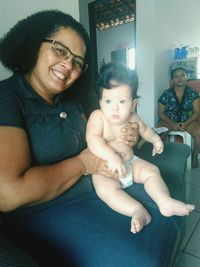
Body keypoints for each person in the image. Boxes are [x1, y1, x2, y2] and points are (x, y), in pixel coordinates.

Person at [0, 9, 170, 267]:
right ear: (34, 43)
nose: (69, 65)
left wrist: (132, 135)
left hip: (99, 187)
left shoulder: (75, 100)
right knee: (137, 259)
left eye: (78, 61)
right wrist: (83, 164)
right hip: (46, 210)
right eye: (60, 50)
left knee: (163, 217)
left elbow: (125, 136)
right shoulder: (7, 98)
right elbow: (8, 193)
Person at [86, 62, 195, 234]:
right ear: (100, 100)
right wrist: (111, 156)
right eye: (107, 100)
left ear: (133, 103)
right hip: (106, 169)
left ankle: (164, 201)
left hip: (131, 162)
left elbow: (145, 130)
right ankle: (137, 211)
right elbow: (92, 140)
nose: (114, 107)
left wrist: (156, 141)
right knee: (105, 190)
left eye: (122, 101)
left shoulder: (133, 117)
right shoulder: (98, 117)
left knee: (152, 171)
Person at [158, 67, 200, 168]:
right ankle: (161, 159)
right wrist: (172, 124)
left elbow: (197, 111)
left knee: (199, 133)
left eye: (182, 75)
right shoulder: (166, 94)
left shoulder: (193, 93)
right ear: (172, 79)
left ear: (187, 77)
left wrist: (185, 123)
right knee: (159, 133)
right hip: (169, 121)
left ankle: (194, 158)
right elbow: (161, 112)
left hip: (189, 121)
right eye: (176, 76)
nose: (179, 78)